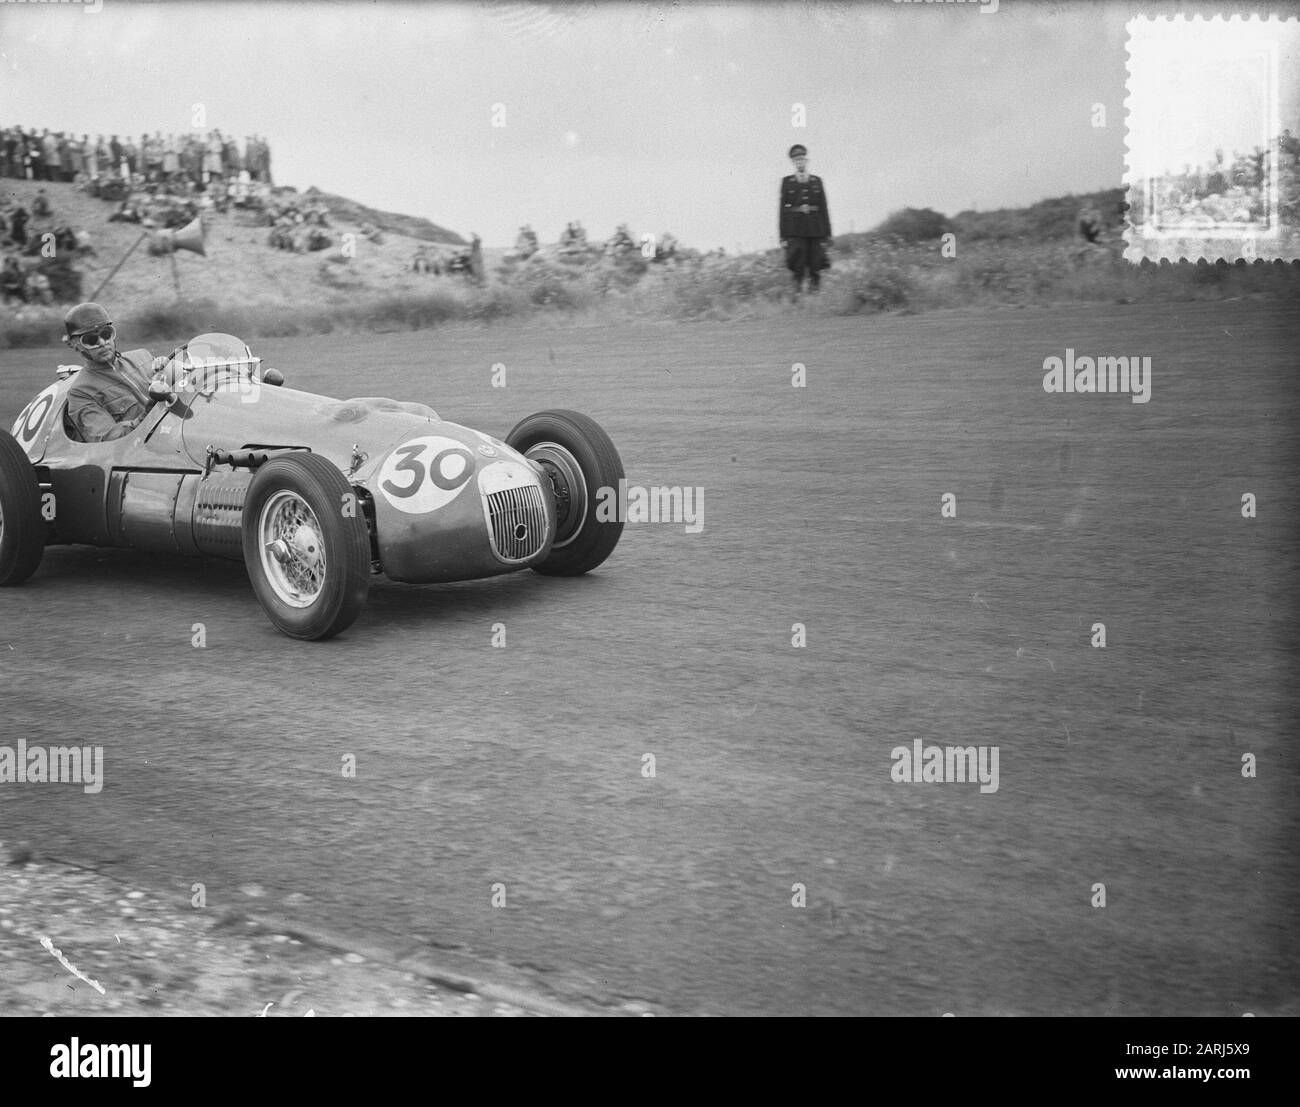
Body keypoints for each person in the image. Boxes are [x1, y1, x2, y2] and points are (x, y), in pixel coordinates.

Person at [62, 303, 163, 443]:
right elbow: (109, 437)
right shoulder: (81, 392)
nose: (102, 343)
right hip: (141, 447)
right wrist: (146, 416)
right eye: (91, 340)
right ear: (76, 344)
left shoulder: (143, 356)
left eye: (106, 334)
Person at [779, 143, 832, 295]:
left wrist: (827, 234)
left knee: (816, 264)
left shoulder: (816, 181)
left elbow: (824, 208)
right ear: (793, 162)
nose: (800, 162)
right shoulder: (787, 182)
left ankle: (815, 296)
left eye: (802, 159)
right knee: (798, 265)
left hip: (816, 229)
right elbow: (782, 211)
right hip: (796, 230)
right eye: (797, 160)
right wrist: (783, 236)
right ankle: (797, 297)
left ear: (806, 161)